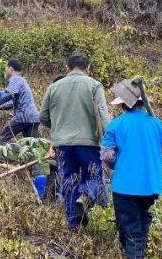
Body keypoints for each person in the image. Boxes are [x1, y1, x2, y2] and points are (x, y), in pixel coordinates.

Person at [100, 78, 162, 259]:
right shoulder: (157, 124)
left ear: (123, 105)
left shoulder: (116, 125)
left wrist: (122, 163)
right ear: (143, 103)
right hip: (152, 185)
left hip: (125, 186)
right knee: (141, 225)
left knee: (131, 228)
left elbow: (107, 157)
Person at [38, 51, 110, 230]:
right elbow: (103, 116)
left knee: (68, 182)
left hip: (62, 145)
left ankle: (73, 225)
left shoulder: (54, 87)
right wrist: (108, 140)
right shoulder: (94, 85)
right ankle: (84, 197)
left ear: (67, 68)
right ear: (88, 68)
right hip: (88, 143)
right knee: (94, 178)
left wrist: (58, 127)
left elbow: (43, 116)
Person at [0, 59, 41, 144]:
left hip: (23, 116)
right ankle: (35, 157)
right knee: (32, 145)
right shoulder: (22, 80)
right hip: (34, 117)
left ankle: (3, 155)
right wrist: (0, 107)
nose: (5, 71)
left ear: (10, 69)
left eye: (6, 68)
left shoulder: (15, 79)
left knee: (3, 138)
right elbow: (13, 102)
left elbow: (9, 95)